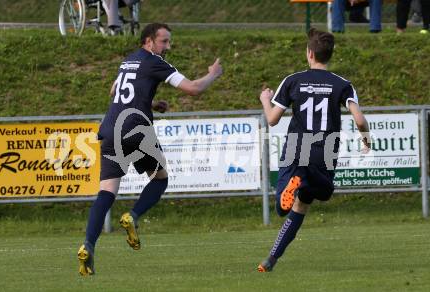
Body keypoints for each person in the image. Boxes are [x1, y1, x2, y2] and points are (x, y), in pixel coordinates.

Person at [77, 22, 223, 276]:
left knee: (106, 191)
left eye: (168, 42)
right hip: (135, 129)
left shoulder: (128, 61)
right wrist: (213, 74)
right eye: (164, 41)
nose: (167, 46)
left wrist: (151, 103)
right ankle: (132, 216)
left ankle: (88, 245)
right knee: (160, 178)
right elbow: (194, 88)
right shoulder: (155, 62)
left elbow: (115, 90)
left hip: (110, 128)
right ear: (148, 42)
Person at [257, 28, 371, 272]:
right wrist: (367, 140)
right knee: (313, 197)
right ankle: (271, 259)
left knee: (282, 206)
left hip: (297, 147)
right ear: (329, 55)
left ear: (309, 53)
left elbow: (273, 119)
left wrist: (265, 99)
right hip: (325, 149)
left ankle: (295, 182)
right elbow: (359, 120)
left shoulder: (292, 80)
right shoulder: (342, 84)